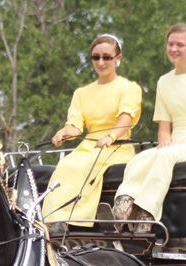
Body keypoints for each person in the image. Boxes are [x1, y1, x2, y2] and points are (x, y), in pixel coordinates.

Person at [112, 23, 186, 229]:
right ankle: (124, 202)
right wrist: (163, 143)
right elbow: (164, 128)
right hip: (177, 142)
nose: (173, 49)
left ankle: (147, 212)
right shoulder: (163, 82)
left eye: (180, 45)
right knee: (140, 158)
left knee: (166, 156)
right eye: (170, 44)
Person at [41, 34, 142, 228]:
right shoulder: (82, 92)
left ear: (118, 58)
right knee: (65, 166)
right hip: (89, 145)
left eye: (107, 57)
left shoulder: (129, 88)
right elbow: (76, 126)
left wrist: (110, 136)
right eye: (96, 57)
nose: (101, 62)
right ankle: (53, 220)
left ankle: (77, 220)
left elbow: (126, 119)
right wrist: (63, 133)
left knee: (84, 167)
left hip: (117, 146)